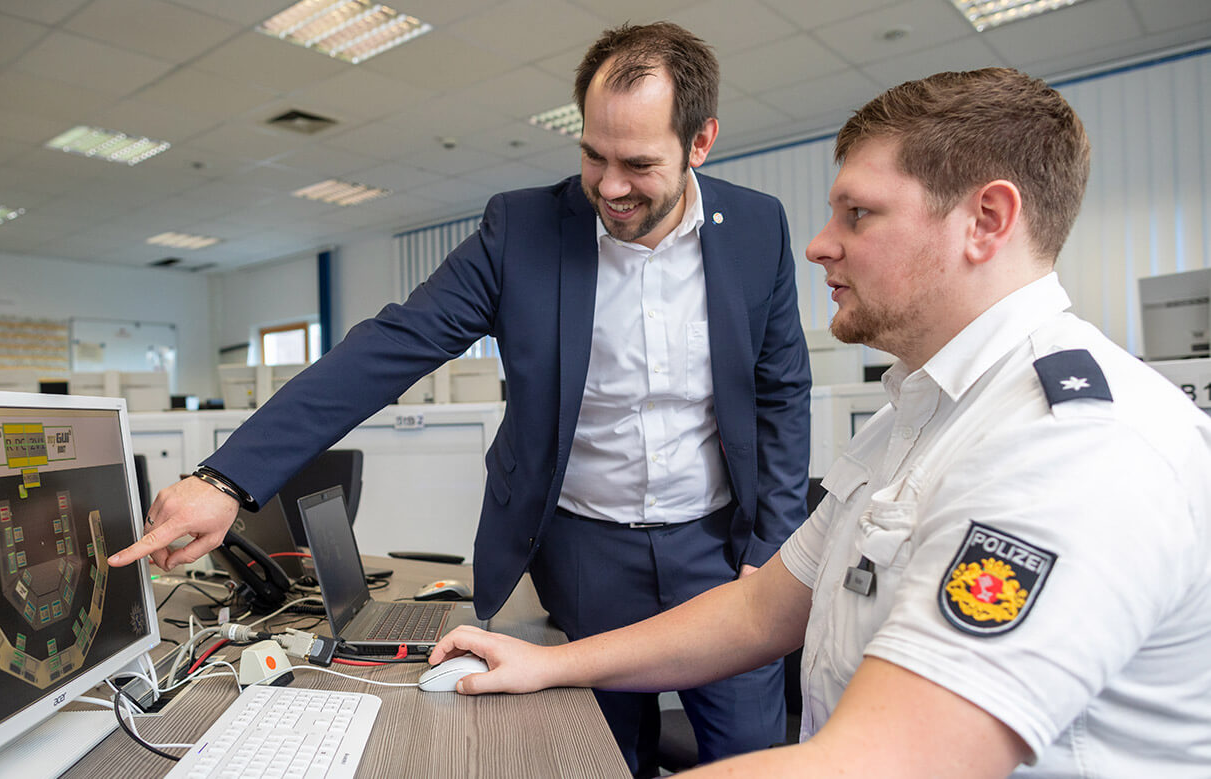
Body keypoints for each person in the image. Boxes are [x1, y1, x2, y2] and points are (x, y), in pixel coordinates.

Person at [424, 67, 1211, 776]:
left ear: (987, 220)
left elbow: (880, 762)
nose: (817, 245)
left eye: (859, 215)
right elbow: (760, 609)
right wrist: (548, 663)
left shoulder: (1072, 447)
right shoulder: (920, 414)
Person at [108, 22, 812, 775]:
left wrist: (772, 545)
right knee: (601, 754)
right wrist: (227, 479)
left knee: (752, 751)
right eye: (592, 155)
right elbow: (390, 347)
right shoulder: (525, 229)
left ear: (700, 142)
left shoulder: (756, 228)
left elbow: (781, 393)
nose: (609, 186)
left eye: (638, 164)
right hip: (585, 551)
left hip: (719, 548)